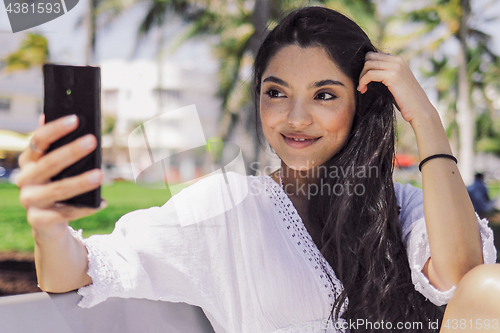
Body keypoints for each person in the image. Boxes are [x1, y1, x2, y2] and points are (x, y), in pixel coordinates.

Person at [16, 6, 500, 333]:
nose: (295, 118)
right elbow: (77, 272)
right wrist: (47, 225)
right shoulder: (227, 209)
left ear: (362, 103)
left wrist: (426, 120)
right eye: (276, 92)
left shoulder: (403, 207)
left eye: (325, 95)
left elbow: (461, 279)